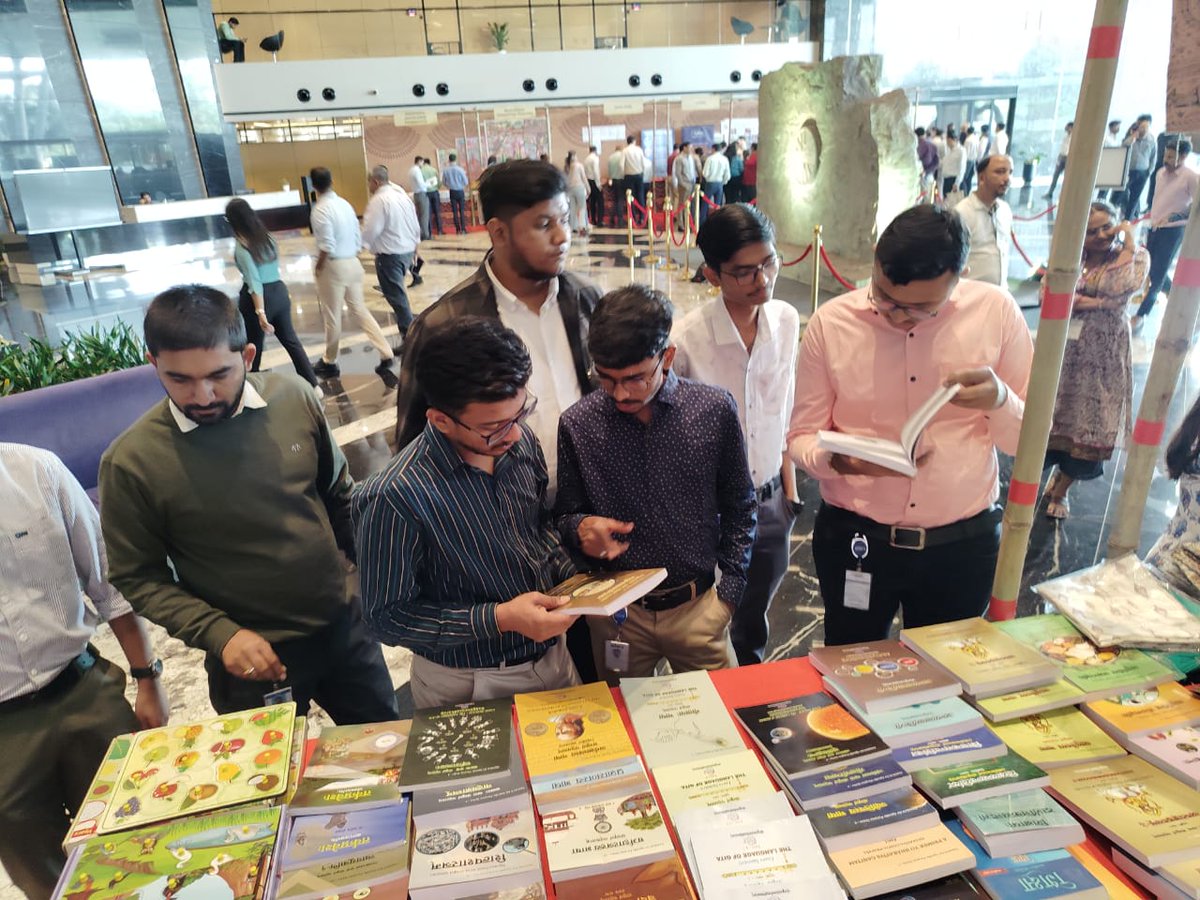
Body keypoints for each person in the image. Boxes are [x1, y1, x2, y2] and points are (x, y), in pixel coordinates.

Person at [100, 285, 400, 722]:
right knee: (269, 784)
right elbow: (139, 576)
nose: (201, 395)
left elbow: (340, 500)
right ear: (153, 363)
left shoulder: (293, 398)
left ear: (247, 356)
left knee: (389, 753)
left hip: (344, 630)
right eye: (179, 379)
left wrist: (378, 578)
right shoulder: (132, 461)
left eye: (218, 375)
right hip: (247, 659)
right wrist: (220, 635)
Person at [392, 160, 600, 680]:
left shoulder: (587, 302)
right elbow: (414, 445)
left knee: (590, 684)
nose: (562, 237)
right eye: (543, 224)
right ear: (498, 231)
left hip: (584, 533)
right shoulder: (446, 324)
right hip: (501, 545)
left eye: (565, 219)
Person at [788, 205, 1033, 645]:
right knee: (850, 664)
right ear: (876, 263)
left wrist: (1000, 400)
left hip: (960, 543)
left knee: (947, 676)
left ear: (960, 277)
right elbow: (801, 436)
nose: (897, 316)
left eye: (920, 309)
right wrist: (841, 461)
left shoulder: (994, 312)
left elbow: (1026, 443)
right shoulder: (833, 323)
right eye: (884, 297)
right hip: (856, 539)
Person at [355, 318, 580, 708]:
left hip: (553, 660)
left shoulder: (519, 442)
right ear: (440, 420)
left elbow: (537, 528)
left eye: (520, 413)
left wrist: (578, 583)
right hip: (467, 683)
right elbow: (386, 616)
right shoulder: (395, 496)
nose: (512, 434)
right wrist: (499, 618)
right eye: (493, 427)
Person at [556, 284, 757, 679]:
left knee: (719, 727)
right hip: (618, 617)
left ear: (667, 357)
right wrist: (580, 529)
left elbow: (740, 505)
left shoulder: (713, 410)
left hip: (698, 610)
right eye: (606, 378)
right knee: (625, 725)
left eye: (634, 378)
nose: (619, 393)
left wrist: (727, 598)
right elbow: (564, 516)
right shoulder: (578, 424)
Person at [0, 442, 169, 900]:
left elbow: (109, 584)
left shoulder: (37, 471)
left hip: (82, 690)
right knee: (41, 871)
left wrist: (147, 677)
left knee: (143, 835)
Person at [674, 205, 802, 666]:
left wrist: (789, 493)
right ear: (712, 274)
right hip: (708, 512)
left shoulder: (786, 322)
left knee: (754, 622)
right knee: (701, 625)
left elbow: (784, 405)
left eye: (768, 263)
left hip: (770, 503)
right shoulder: (687, 339)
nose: (762, 280)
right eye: (744, 272)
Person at [1042, 203, 1147, 519]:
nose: (1102, 235)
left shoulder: (1135, 256)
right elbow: (1048, 294)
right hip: (1065, 350)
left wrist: (1128, 241)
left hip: (1104, 353)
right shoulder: (1069, 259)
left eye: (1108, 227)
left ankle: (1062, 490)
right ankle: (1054, 474)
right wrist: (1102, 302)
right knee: (1057, 413)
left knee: (1091, 420)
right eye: (1092, 231)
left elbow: (1124, 284)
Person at [307, 167, 396, 379]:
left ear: (313, 185)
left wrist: (319, 267)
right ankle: (386, 351)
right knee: (360, 310)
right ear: (332, 181)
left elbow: (326, 245)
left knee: (332, 315)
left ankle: (330, 360)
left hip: (334, 266)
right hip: (353, 263)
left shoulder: (320, 210)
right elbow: (358, 236)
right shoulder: (345, 204)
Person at [225, 197, 319, 389]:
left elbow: (254, 281)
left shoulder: (242, 247)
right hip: (279, 292)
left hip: (258, 300)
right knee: (291, 341)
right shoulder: (267, 237)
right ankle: (313, 385)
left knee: (253, 347)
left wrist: (261, 313)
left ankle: (251, 389)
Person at [1133, 138, 1196, 329]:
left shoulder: (1191, 177)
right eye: (1165, 155)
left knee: (1158, 273)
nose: (1166, 159)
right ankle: (1173, 294)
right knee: (1151, 268)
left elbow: (1196, 205)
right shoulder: (1160, 173)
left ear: (1183, 156)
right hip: (1154, 228)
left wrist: (1175, 216)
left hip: (1173, 230)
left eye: (1171, 156)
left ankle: (1141, 314)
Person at [363, 164, 421, 347]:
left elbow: (371, 229)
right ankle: (411, 334)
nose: (369, 187)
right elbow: (415, 222)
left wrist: (361, 245)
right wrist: (415, 246)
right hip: (406, 250)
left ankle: (410, 338)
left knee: (397, 297)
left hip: (390, 255)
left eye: (369, 183)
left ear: (375, 181)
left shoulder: (379, 200)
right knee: (398, 295)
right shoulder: (402, 195)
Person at [956, 154, 1014, 287]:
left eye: (1010, 172)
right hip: (971, 298)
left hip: (1000, 296)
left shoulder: (1005, 210)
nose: (1007, 178)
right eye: (999, 172)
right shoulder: (962, 213)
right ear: (981, 177)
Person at [1122, 115, 1156, 220]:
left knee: (1135, 198)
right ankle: (1118, 213)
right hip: (1128, 171)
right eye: (1142, 127)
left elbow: (1153, 157)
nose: (1144, 130)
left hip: (1142, 173)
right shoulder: (1131, 136)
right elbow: (1123, 146)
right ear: (1138, 126)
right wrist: (1133, 137)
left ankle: (1128, 220)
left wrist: (1148, 172)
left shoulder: (1151, 140)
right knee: (1121, 193)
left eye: (1147, 127)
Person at [701, 142, 731, 224]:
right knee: (718, 205)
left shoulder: (710, 159)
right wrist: (723, 182)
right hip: (720, 183)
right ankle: (717, 222)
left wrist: (708, 178)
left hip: (710, 183)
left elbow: (705, 173)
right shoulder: (725, 159)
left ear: (713, 149)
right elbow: (727, 174)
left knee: (705, 204)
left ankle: (702, 223)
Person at [441, 153, 470, 234]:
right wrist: (461, 185)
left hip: (452, 191)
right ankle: (463, 229)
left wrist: (449, 186)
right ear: (455, 159)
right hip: (460, 191)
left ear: (449, 160)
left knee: (454, 211)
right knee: (461, 210)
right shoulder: (460, 169)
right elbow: (465, 181)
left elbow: (443, 182)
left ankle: (457, 229)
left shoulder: (446, 170)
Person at [622, 135, 646, 227]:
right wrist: (642, 172)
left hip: (628, 176)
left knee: (630, 197)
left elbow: (621, 165)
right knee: (640, 196)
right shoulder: (639, 150)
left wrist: (623, 174)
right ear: (634, 141)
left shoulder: (624, 151)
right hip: (639, 175)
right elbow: (643, 163)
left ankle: (632, 217)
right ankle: (642, 217)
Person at [565, 150, 590, 236]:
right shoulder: (579, 165)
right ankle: (582, 226)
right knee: (582, 207)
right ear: (575, 156)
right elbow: (584, 178)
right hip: (579, 187)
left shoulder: (567, 166)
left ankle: (573, 227)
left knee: (572, 208)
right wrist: (588, 188)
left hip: (570, 189)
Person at [1046, 122, 1073, 198]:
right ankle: (1050, 193)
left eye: (1068, 127)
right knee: (1056, 175)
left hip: (1068, 158)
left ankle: (1064, 195)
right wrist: (1059, 157)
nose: (1066, 128)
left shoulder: (1074, 138)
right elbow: (1062, 149)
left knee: (1066, 178)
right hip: (1062, 157)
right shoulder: (1066, 137)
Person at [672, 142, 697, 228]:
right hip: (684, 184)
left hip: (692, 183)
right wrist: (683, 184)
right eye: (689, 147)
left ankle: (690, 222)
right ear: (684, 148)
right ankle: (681, 224)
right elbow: (678, 173)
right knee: (682, 204)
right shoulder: (679, 158)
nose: (691, 149)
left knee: (691, 204)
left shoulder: (691, 157)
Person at [408, 156, 431, 240]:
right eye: (422, 162)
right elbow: (421, 184)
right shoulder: (417, 170)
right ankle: (425, 234)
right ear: (419, 161)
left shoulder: (411, 170)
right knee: (424, 215)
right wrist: (429, 184)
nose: (423, 164)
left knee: (419, 216)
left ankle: (420, 233)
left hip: (415, 194)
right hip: (421, 194)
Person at [421, 157, 443, 237]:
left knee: (428, 213)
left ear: (423, 163)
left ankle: (430, 231)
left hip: (426, 193)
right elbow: (439, 182)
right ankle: (440, 230)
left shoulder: (421, 171)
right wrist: (437, 187)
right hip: (435, 192)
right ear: (429, 163)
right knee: (437, 212)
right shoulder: (434, 170)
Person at [941, 130, 965, 199]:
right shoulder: (949, 150)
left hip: (953, 180)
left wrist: (957, 183)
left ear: (952, 139)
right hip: (946, 180)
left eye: (948, 140)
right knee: (946, 202)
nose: (947, 142)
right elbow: (944, 162)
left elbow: (962, 168)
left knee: (953, 204)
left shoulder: (961, 151)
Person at [584, 145, 603, 227]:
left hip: (588, 181)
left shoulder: (586, 159)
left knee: (592, 201)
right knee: (600, 201)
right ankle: (600, 221)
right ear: (595, 151)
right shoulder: (595, 158)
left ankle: (593, 220)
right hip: (594, 181)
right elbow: (596, 172)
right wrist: (599, 184)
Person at [607, 144, 626, 227]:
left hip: (613, 180)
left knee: (615, 200)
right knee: (620, 200)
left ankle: (612, 218)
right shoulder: (622, 156)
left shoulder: (610, 157)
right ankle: (620, 219)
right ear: (621, 149)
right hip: (621, 180)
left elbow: (609, 171)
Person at [961, 126, 980, 194]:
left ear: (967, 132)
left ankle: (964, 193)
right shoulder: (976, 139)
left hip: (967, 161)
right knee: (969, 178)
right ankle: (968, 192)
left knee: (963, 178)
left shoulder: (968, 140)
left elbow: (966, 152)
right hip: (973, 160)